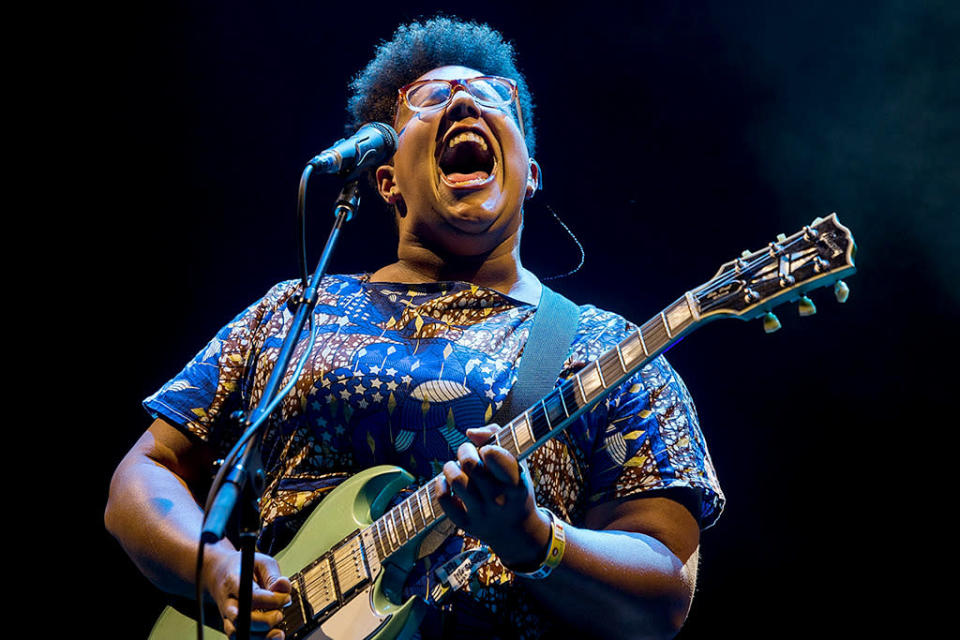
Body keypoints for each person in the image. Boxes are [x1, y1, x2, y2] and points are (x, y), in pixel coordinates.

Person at [106, 16, 724, 640]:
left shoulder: (607, 348)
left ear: (529, 173)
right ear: (387, 179)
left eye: (492, 95)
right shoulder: (294, 312)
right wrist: (211, 567)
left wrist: (535, 539)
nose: (463, 99)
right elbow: (149, 468)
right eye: (430, 97)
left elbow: (664, 589)